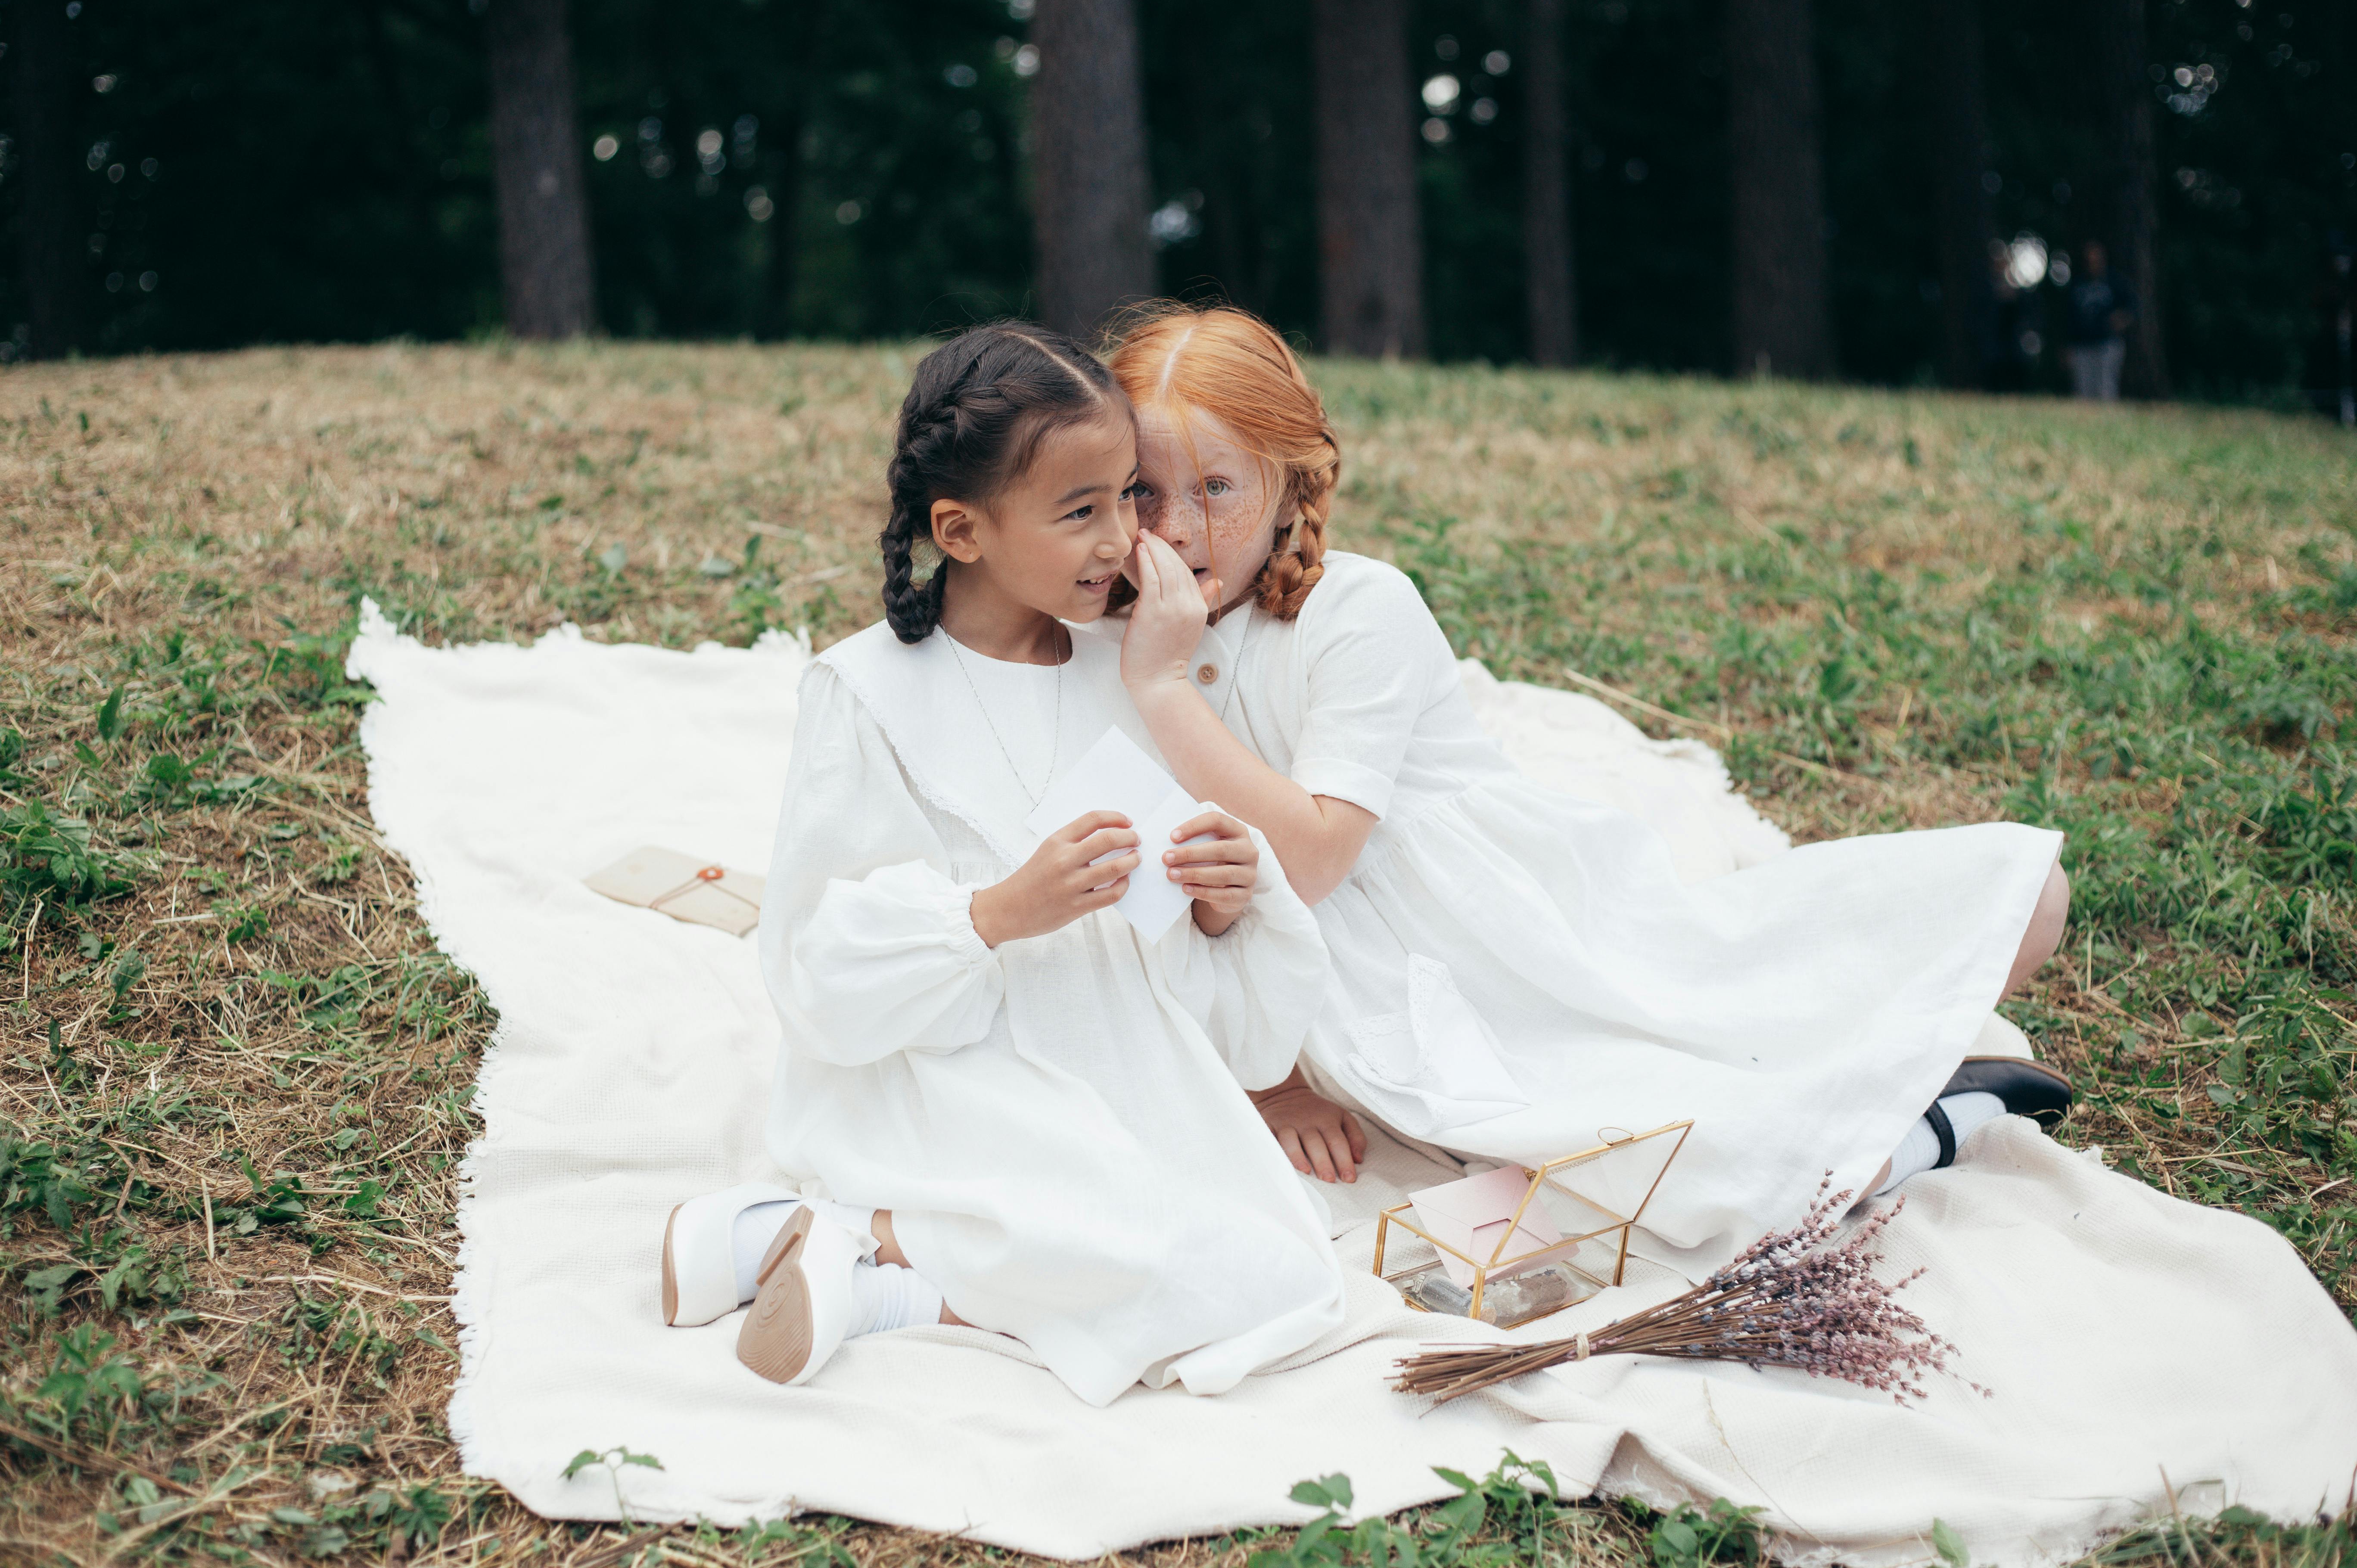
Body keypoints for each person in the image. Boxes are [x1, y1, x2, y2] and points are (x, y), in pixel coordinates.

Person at [1098, 303, 2075, 1276]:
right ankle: (1918, 1125)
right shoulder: (1108, 649)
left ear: (1288, 486)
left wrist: (1162, 685)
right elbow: (1167, 896)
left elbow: (1310, 858)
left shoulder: (1353, 607)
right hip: (1358, 1014)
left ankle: (1893, 1105)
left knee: (2021, 899)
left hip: (1529, 951)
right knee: (1629, 1199)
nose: (1178, 530)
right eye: (1144, 492)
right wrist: (1270, 1087)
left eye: (1216, 487)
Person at [658, 322, 1346, 1403]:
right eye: (1081, 512)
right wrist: (992, 912)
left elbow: (1171, 930)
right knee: (1136, 1246)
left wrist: (1223, 900)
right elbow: (812, 964)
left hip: (1111, 1054)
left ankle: (830, 1252)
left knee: (1273, 1269)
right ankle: (872, 1242)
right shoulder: (866, 692)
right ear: (960, 529)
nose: (1123, 537)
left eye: (1129, 496)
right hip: (946, 1068)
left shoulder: (1125, 667)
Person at [2065, 240, 2135, 401]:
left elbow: (2133, 306)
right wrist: (2068, 345)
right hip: (2082, 344)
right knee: (2082, 389)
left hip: (2108, 342)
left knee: (2106, 387)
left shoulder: (2115, 281)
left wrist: (2122, 318)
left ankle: (2107, 423)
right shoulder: (2078, 284)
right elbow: (2070, 318)